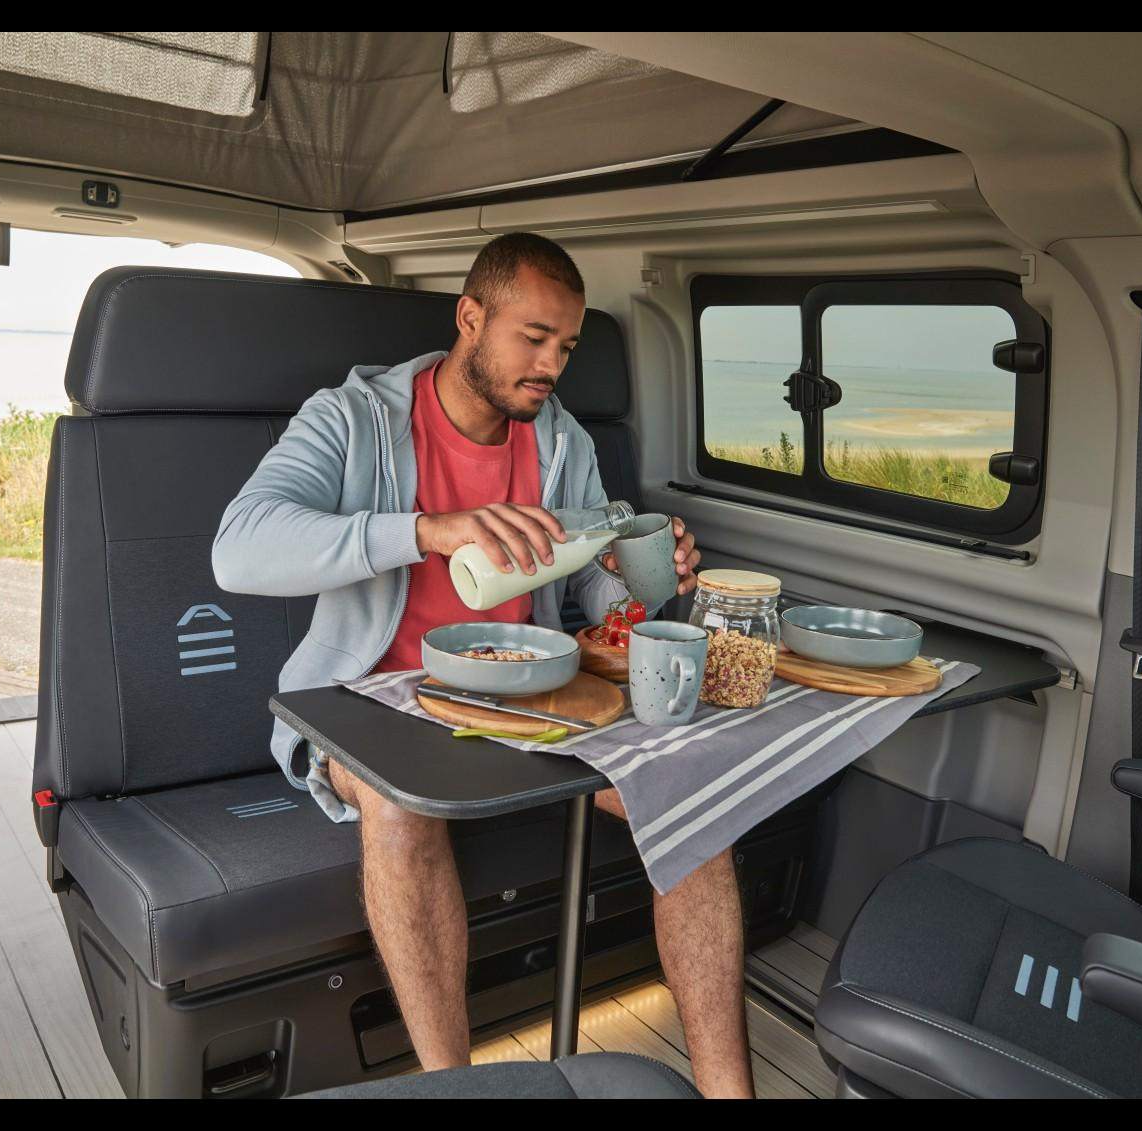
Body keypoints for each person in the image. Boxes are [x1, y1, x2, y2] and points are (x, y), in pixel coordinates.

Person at [213, 232, 752, 1097]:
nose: (551, 365)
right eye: (532, 338)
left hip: (530, 694)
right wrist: (426, 528)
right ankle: (453, 1087)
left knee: (685, 796)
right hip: (374, 697)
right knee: (395, 806)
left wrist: (633, 580)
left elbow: (595, 613)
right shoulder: (352, 418)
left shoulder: (563, 441)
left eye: (567, 347)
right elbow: (237, 552)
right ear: (471, 317)